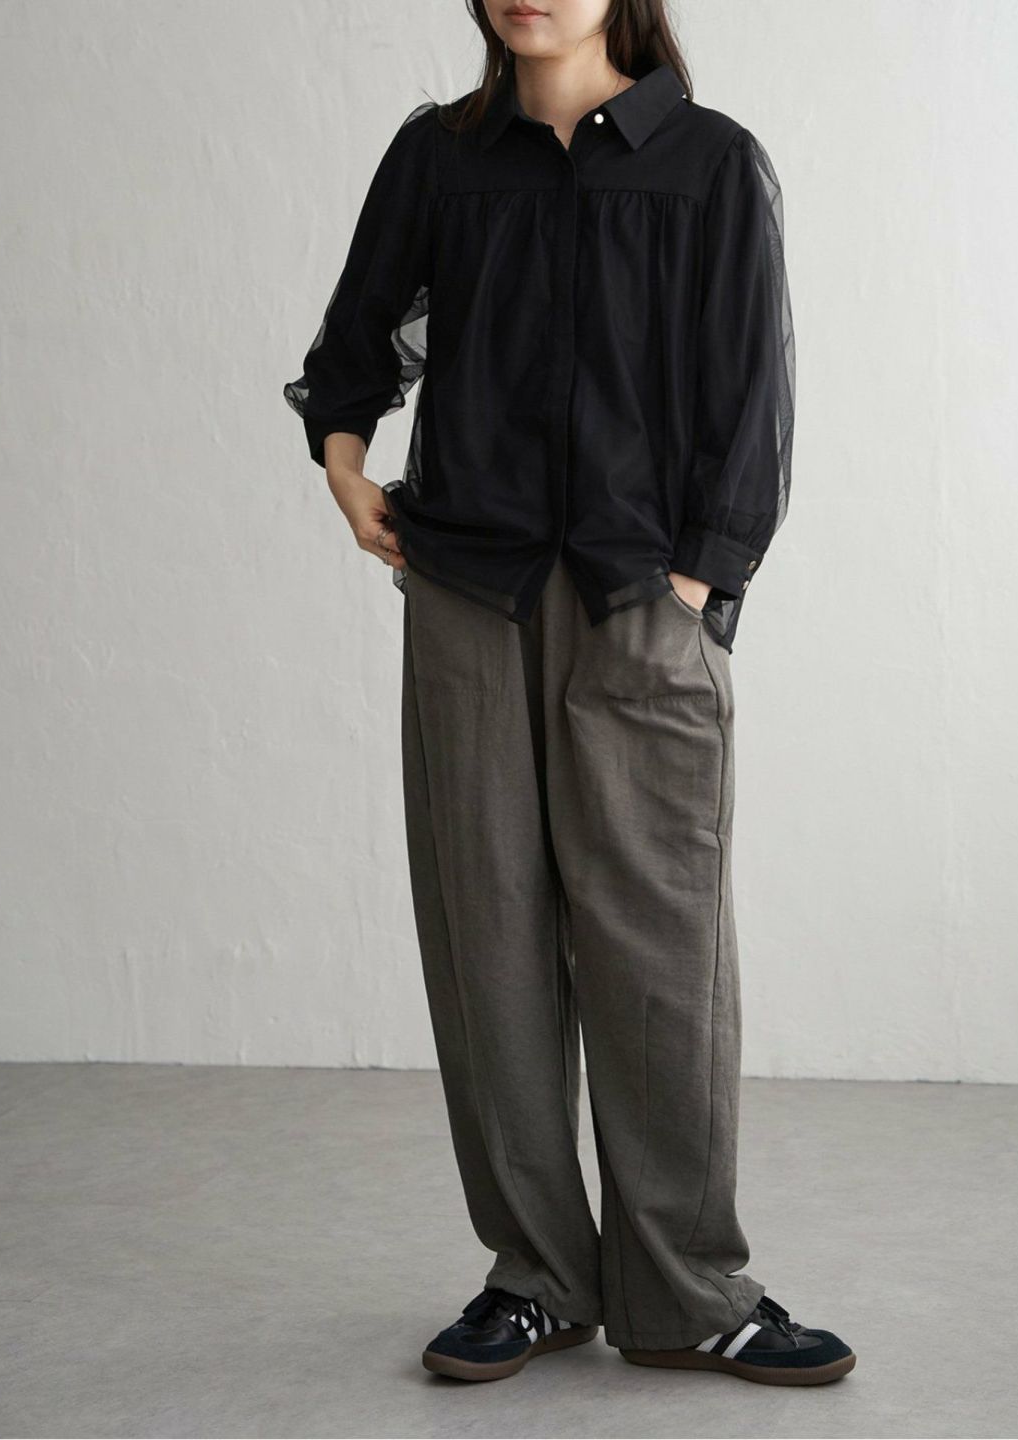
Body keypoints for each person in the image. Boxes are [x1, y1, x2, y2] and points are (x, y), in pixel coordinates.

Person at [283, 0, 855, 1389]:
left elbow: (753, 393)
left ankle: (688, 1291)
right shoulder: (440, 155)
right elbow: (361, 335)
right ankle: (534, 1276)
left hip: (639, 598)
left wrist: (699, 584)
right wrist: (347, 469)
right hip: (467, 589)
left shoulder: (709, 161)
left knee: (660, 949)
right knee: (485, 936)